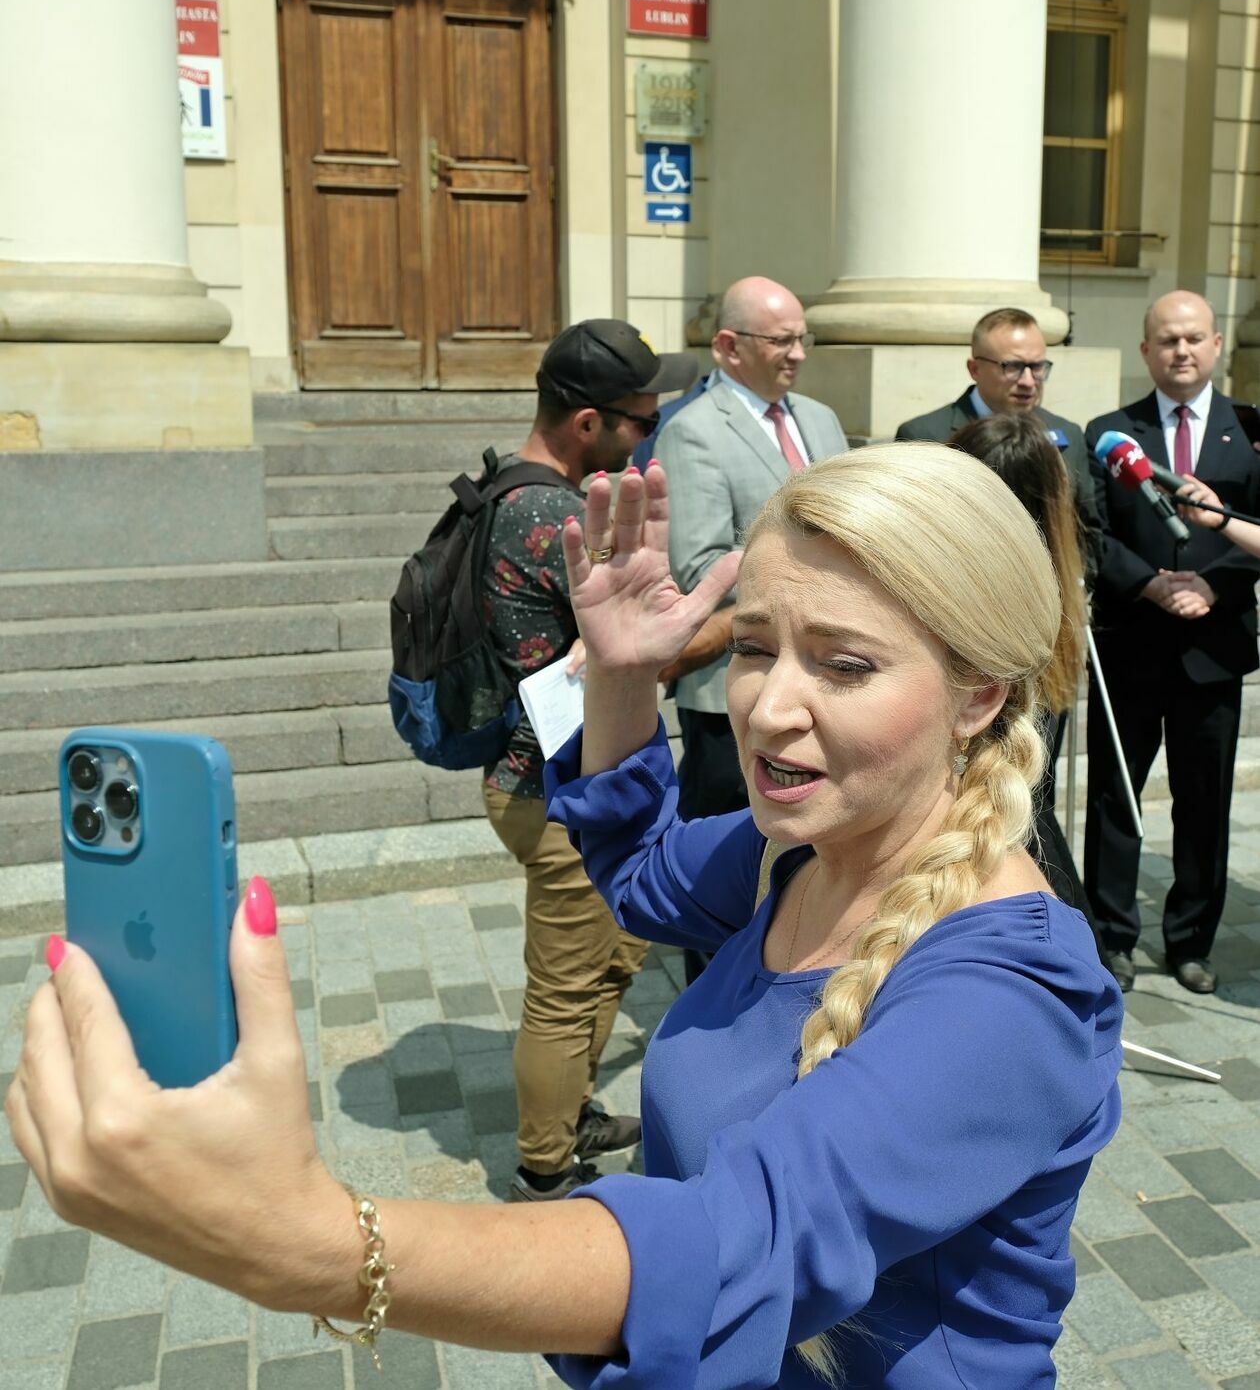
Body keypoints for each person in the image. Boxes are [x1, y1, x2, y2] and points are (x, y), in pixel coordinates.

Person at [9, 444, 1122, 1390]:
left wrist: (314, 1244)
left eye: (843, 662)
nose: (769, 706)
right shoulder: (801, 853)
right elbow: (638, 875)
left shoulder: (1010, 997)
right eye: (749, 646)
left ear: (980, 693)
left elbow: (736, 1243)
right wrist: (624, 679)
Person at [480, 317, 697, 1199]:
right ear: (586, 423)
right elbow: (629, 656)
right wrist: (723, 625)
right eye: (640, 422)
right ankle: (544, 1167)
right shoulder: (557, 517)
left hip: (542, 778)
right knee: (566, 988)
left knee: (615, 954)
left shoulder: (508, 489)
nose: (650, 434)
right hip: (561, 788)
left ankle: (570, 1118)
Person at [1084, 290, 1260, 995]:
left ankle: (1190, 940)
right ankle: (1112, 937)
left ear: (1215, 345)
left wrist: (1212, 586)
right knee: (1113, 798)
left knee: (1203, 799)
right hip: (1132, 642)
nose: (1180, 352)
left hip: (1213, 646)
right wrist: (1150, 585)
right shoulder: (1111, 433)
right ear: (1145, 352)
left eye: (1192, 339)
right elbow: (1093, 533)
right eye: (1166, 341)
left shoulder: (1249, 432)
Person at [656, 276, 848, 826]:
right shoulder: (693, 431)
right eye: (780, 340)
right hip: (733, 684)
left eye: (802, 338)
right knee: (725, 849)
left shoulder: (820, 418)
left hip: (820, 675)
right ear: (728, 346)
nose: (798, 354)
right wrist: (817, 573)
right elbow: (701, 565)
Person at [948, 414, 1109, 960]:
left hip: (975, 836)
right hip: (1013, 813)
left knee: (1019, 826)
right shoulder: (1050, 574)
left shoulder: (967, 589)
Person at [897, 306, 1102, 582]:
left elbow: (1087, 531)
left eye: (1038, 367)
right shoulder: (925, 435)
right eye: (1013, 367)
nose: (1028, 381)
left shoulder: (1067, 434)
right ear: (974, 369)